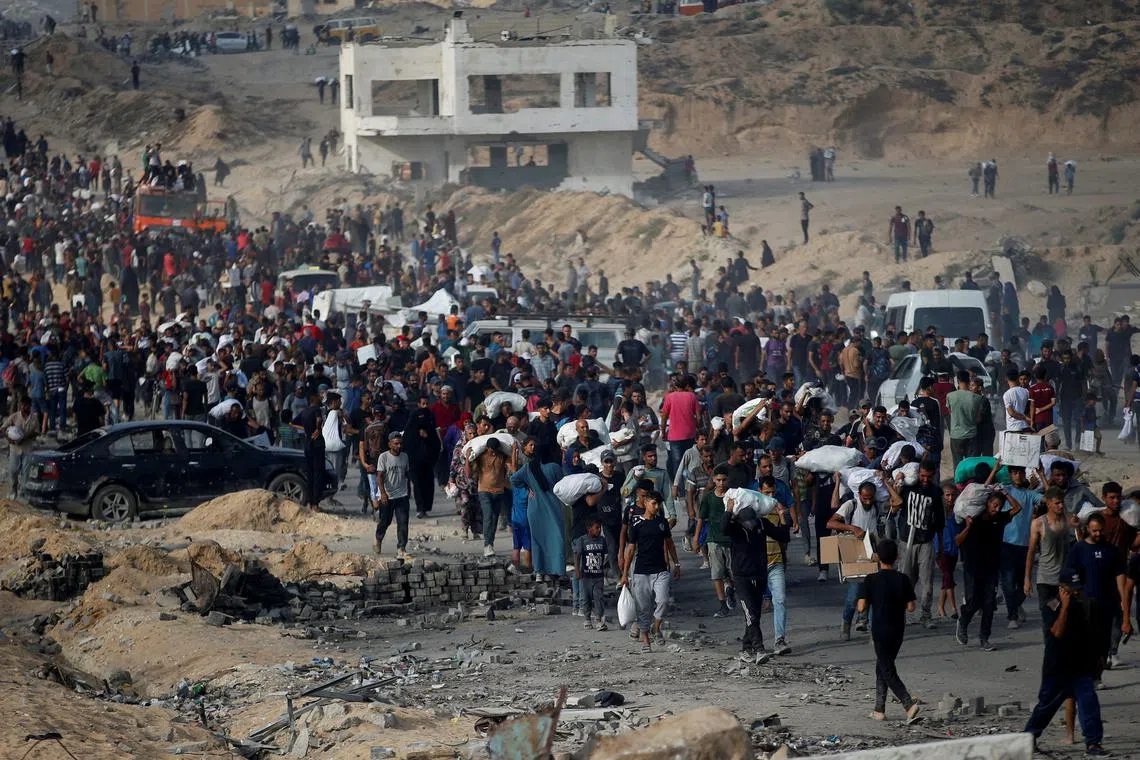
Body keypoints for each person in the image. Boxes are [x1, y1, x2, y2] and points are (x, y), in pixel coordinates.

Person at [1023, 568, 1111, 757]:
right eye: (1072, 589)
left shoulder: (1088, 604)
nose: (1076, 592)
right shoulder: (1053, 605)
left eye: (1078, 588)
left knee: (1089, 703)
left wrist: (1100, 658)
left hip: (1080, 667)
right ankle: (1027, 738)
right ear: (1062, 588)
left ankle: (1093, 743)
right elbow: (1056, 632)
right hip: (1058, 667)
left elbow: (1096, 633)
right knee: (1046, 706)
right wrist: (1064, 606)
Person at [857, 538, 922, 723]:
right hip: (897, 630)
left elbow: (861, 608)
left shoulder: (870, 580)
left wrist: (861, 600)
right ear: (897, 556)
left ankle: (908, 704)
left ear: (876, 557)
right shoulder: (903, 579)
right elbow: (911, 607)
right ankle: (879, 710)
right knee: (882, 668)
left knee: (887, 669)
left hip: (879, 630)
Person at [722, 497, 790, 657]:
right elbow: (723, 528)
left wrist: (782, 516)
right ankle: (759, 648)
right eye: (748, 523)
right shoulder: (735, 528)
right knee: (750, 613)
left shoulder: (761, 524)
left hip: (760, 574)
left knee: (755, 614)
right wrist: (729, 510)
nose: (751, 526)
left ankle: (746, 648)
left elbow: (783, 536)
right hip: (741, 577)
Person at [956, 488, 1022, 651]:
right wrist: (968, 527)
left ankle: (984, 637)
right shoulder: (975, 519)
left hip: (991, 567)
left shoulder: (1000, 518)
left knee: (989, 604)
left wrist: (1005, 493)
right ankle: (963, 621)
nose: (997, 509)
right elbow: (958, 540)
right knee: (973, 601)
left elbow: (1017, 509)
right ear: (987, 504)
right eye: (994, 505)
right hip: (973, 566)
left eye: (999, 506)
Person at [621, 490, 680, 652]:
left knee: (663, 601)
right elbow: (631, 550)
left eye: (658, 504)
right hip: (641, 571)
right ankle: (646, 640)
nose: (656, 507)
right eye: (653, 503)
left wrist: (677, 564)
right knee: (643, 607)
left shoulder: (662, 523)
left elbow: (669, 544)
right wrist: (625, 574)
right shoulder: (635, 523)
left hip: (660, 569)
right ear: (646, 502)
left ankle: (656, 626)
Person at [890, 460, 944, 628]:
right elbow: (894, 505)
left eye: (928, 476)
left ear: (934, 475)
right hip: (906, 541)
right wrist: (896, 482)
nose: (925, 479)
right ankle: (901, 614)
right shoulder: (908, 487)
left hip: (926, 541)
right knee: (906, 581)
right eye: (922, 476)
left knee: (927, 582)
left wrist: (940, 546)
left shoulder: (936, 492)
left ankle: (926, 615)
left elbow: (940, 522)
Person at [827, 477, 880, 639]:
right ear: (859, 495)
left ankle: (874, 632)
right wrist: (852, 527)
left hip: (872, 553)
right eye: (865, 498)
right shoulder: (851, 505)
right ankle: (846, 624)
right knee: (854, 595)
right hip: (854, 554)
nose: (868, 501)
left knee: (874, 595)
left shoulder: (877, 506)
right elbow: (830, 523)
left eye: (871, 498)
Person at [693, 464, 735, 617]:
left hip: (731, 540)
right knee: (716, 573)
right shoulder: (709, 498)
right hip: (713, 539)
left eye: (724, 480)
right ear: (714, 480)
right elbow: (701, 519)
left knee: (733, 572)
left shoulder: (733, 496)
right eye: (718, 480)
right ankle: (722, 604)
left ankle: (730, 589)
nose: (721, 483)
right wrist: (696, 539)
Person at [472, 437, 512, 557]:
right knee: (488, 515)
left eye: (495, 450)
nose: (493, 452)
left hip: (499, 491)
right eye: (491, 450)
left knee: (494, 519)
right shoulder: (481, 456)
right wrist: (469, 456)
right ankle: (487, 545)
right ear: (487, 448)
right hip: (484, 490)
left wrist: (514, 450)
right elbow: (470, 471)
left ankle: (490, 544)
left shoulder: (502, 456)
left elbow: (512, 466)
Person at [375, 431, 411, 559]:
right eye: (396, 444)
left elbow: (407, 474)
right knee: (385, 521)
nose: (399, 446)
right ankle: (378, 538)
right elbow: (379, 477)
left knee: (403, 522)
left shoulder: (405, 456)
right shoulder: (383, 457)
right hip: (388, 496)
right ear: (390, 444)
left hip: (402, 495)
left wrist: (409, 491)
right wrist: (383, 494)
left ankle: (401, 547)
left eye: (400, 444)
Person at [573, 519, 608, 630]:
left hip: (598, 576)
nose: (599, 530)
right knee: (586, 598)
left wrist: (604, 568)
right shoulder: (582, 540)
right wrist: (577, 571)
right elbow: (577, 556)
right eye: (596, 528)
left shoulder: (602, 540)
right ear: (589, 529)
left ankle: (598, 620)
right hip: (586, 575)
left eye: (600, 528)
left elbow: (605, 555)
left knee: (599, 597)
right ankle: (587, 619)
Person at [5, 396, 38, 498]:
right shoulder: (14, 417)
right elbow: (3, 429)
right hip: (15, 449)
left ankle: (23, 493)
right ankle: (13, 490)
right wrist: (10, 439)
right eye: (22, 405)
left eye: (26, 405)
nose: (23, 407)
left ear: (29, 406)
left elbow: (37, 432)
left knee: (26, 472)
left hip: (28, 449)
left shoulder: (34, 418)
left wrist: (25, 437)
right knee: (13, 470)